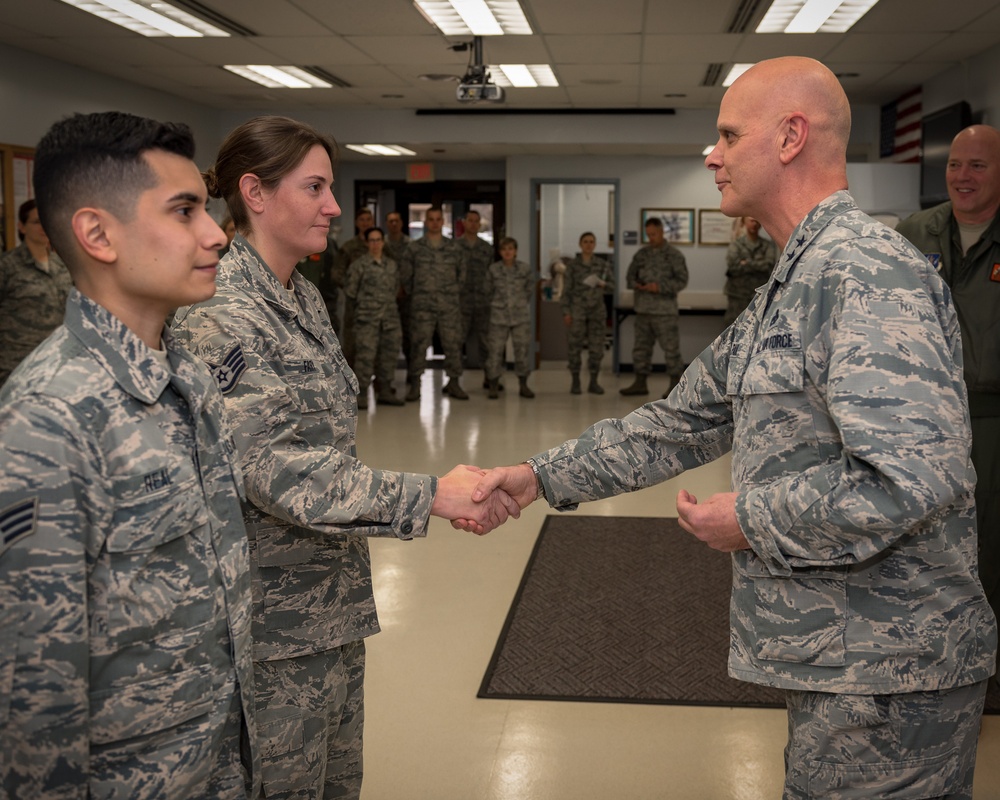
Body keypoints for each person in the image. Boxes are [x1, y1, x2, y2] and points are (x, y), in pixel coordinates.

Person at [469, 57, 998, 799]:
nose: (711, 155)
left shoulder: (868, 274)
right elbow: (678, 423)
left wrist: (748, 518)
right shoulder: (798, 278)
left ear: (789, 138)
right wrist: (535, 477)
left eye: (727, 134)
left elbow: (911, 480)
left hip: (891, 672)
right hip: (841, 660)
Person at [170, 115, 516, 799]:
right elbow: (278, 468)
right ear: (255, 194)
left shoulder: (300, 294)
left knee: (337, 784)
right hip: (267, 626)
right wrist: (434, 495)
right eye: (316, 187)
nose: (334, 206)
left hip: (328, 606)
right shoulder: (221, 313)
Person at [0, 111, 259, 798]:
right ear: (97, 234)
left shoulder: (185, 377)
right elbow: (32, 695)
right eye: (184, 212)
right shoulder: (48, 420)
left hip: (215, 763)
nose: (215, 235)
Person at [896, 123, 1000, 688]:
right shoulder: (915, 233)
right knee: (925, 545)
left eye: (978, 165)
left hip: (992, 419)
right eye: (955, 164)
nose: (962, 176)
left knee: (990, 547)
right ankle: (930, 667)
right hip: (922, 418)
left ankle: (988, 671)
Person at [0, 198, 73, 385]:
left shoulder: (64, 265)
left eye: (46, 221)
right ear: (21, 227)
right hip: (16, 364)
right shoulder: (7, 266)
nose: (43, 227)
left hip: (58, 361)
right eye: (36, 222)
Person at [401, 206, 469, 401]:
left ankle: (454, 382)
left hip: (449, 306)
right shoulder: (414, 248)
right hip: (422, 306)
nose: (434, 222)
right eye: (431, 219)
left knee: (452, 344)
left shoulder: (455, 248)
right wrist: (419, 294)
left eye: (438, 219)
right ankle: (415, 385)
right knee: (419, 345)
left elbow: (462, 276)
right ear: (426, 222)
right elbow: (406, 276)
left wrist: (451, 293)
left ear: (442, 222)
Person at [620, 216, 688, 400]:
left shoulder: (674, 255)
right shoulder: (641, 255)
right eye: (648, 234)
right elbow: (629, 278)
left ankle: (675, 385)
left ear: (661, 232)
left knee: (671, 350)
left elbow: (682, 280)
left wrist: (659, 287)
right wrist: (638, 284)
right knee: (641, 349)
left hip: (664, 311)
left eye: (654, 234)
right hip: (643, 310)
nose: (651, 238)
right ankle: (640, 382)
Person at [344, 226, 405, 409]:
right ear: (367, 243)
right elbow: (351, 293)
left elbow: (395, 290)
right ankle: (361, 394)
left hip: (390, 319)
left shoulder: (392, 266)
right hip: (367, 320)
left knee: (389, 355)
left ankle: (385, 390)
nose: (375, 244)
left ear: (383, 242)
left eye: (378, 240)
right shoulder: (359, 266)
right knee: (365, 357)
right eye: (372, 240)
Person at [561, 231, 614, 394]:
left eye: (591, 241)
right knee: (574, 347)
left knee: (596, 348)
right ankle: (575, 380)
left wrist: (603, 284)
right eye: (585, 241)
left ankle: (593, 381)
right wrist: (566, 312)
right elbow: (566, 291)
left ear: (595, 245)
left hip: (597, 312)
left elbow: (612, 286)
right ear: (580, 244)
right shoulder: (573, 266)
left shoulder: (602, 265)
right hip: (577, 311)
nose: (588, 244)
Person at [484, 236, 534, 399]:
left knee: (521, 351)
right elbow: (488, 291)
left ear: (516, 252)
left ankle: (523, 384)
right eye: (504, 249)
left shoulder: (524, 269)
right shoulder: (493, 270)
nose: (507, 252)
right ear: (500, 252)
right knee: (495, 352)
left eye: (510, 249)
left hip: (520, 317)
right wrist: (498, 304)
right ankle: (493, 384)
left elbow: (529, 289)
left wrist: (518, 303)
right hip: (499, 317)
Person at [333, 207, 374, 363]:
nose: (366, 223)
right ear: (357, 223)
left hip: (379, 305)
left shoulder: (381, 245)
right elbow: (337, 274)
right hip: (355, 305)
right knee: (352, 345)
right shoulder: (349, 248)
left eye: (368, 220)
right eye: (362, 220)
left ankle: (380, 384)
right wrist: (353, 290)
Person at [457, 209, 495, 376]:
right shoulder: (454, 247)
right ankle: (453, 379)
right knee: (455, 342)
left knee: (486, 342)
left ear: (479, 225)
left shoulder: (487, 249)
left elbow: (492, 275)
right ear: (464, 223)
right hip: (460, 302)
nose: (473, 224)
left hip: (482, 302)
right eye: (470, 220)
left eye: (476, 221)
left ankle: (490, 377)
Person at [723, 215, 776, 326]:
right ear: (744, 222)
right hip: (737, 295)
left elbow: (768, 265)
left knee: (758, 328)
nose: (754, 224)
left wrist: (746, 262)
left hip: (759, 295)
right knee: (734, 328)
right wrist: (758, 264)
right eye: (751, 221)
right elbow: (733, 266)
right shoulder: (736, 245)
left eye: (757, 221)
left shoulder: (767, 245)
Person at [384, 210, 412, 375]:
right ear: (387, 224)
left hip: (407, 298)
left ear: (401, 224)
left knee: (409, 336)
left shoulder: (410, 245)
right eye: (390, 221)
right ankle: (386, 378)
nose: (393, 224)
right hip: (387, 298)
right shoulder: (383, 244)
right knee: (389, 339)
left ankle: (411, 373)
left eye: (396, 221)